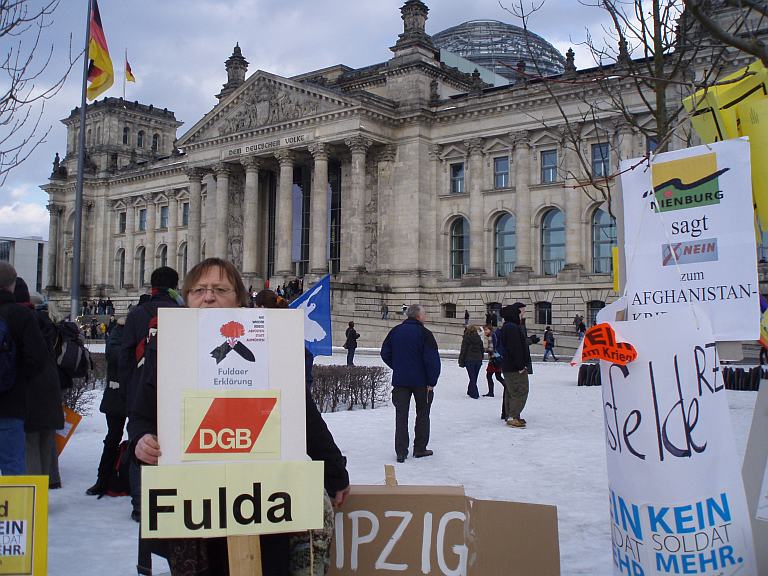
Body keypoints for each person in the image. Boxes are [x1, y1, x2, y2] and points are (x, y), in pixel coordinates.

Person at [130, 260, 349, 575]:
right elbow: (141, 415)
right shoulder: (165, 346)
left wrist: (334, 470)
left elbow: (300, 411)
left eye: (220, 290)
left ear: (239, 299)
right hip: (196, 495)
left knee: (267, 563)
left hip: (262, 494)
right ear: (186, 297)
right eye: (199, 290)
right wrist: (141, 441)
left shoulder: (270, 340)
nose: (208, 297)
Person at [119, 266, 183, 522]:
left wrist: (129, 387)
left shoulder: (136, 314)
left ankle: (140, 505)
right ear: (175, 286)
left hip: (140, 389)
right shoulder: (182, 313)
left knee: (141, 445)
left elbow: (124, 356)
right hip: (174, 389)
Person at [0, 262, 49, 475]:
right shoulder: (22, 316)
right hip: (11, 404)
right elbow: (38, 358)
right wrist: (19, 378)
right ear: (12, 285)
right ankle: (13, 509)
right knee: (13, 467)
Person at [14, 278, 64, 478]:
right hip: (50, 382)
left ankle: (34, 491)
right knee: (46, 434)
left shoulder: (21, 319)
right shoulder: (48, 321)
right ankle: (51, 478)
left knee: (31, 438)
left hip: (30, 384)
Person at [381, 304, 440, 463]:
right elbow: (432, 360)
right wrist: (432, 381)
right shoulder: (425, 334)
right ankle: (419, 448)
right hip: (422, 382)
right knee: (422, 414)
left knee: (401, 416)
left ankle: (401, 451)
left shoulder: (395, 331)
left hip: (400, 380)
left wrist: (398, 366)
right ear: (419, 316)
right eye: (425, 314)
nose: (425, 317)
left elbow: (385, 352)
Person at [86, 315, 127, 496]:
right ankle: (103, 479)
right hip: (117, 394)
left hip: (130, 394)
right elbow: (114, 356)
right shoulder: (119, 333)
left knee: (138, 438)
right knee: (112, 438)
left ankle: (129, 478)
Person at [499, 303, 532, 428]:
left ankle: (512, 415)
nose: (522, 315)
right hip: (514, 367)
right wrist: (520, 365)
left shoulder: (508, 327)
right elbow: (515, 349)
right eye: (520, 313)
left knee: (512, 391)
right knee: (520, 391)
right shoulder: (512, 328)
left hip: (509, 366)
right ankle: (513, 416)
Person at [458, 325, 483, 399]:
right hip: (478, 360)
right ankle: (470, 391)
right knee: (474, 377)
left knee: (472, 377)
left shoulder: (466, 338)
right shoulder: (478, 338)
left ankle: (475, 394)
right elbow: (482, 349)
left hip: (469, 360)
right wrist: (480, 358)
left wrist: (461, 361)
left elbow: (463, 350)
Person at [482, 325, 505, 398]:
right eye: (484, 330)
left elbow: (491, 349)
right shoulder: (494, 335)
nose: (485, 331)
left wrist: (484, 349)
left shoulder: (491, 336)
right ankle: (508, 388)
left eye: (486, 330)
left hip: (493, 359)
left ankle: (491, 392)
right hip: (498, 358)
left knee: (489, 375)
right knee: (498, 376)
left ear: (490, 330)